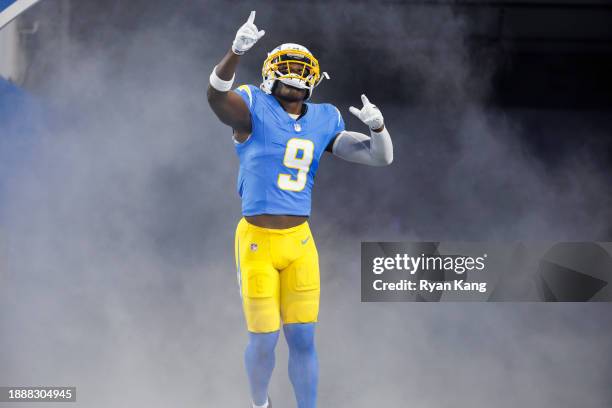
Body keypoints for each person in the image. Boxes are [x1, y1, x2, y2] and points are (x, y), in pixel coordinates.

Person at [206, 11, 393, 408]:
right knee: (263, 338)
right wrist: (234, 53)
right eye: (286, 67)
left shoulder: (325, 119)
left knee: (304, 337)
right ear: (270, 74)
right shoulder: (252, 106)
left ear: (314, 79)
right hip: (257, 238)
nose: (293, 75)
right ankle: (260, 404)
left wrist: (379, 128)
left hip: (299, 241)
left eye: (300, 68)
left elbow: (379, 158)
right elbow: (216, 97)